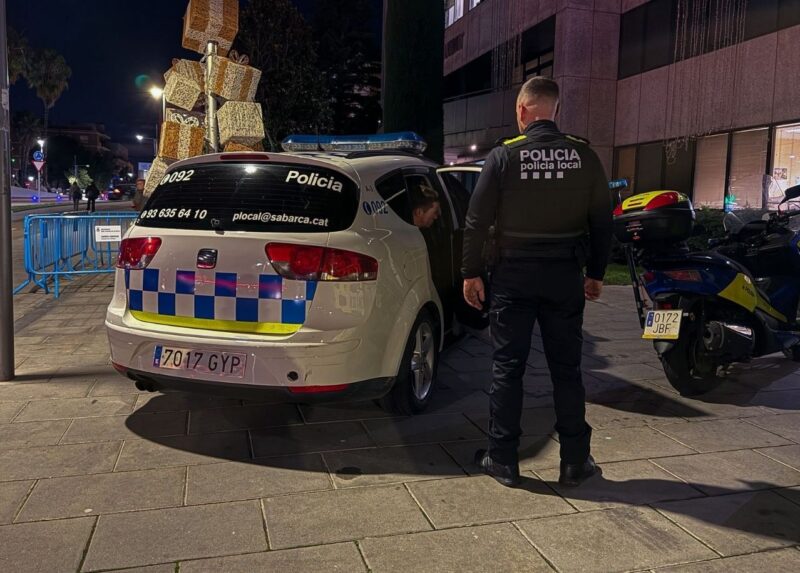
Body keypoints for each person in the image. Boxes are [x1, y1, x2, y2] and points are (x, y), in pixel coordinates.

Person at [462, 77, 613, 488]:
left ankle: (503, 459)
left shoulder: (504, 156)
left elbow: (476, 220)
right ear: (556, 110)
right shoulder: (583, 155)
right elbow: (602, 220)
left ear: (523, 110)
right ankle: (574, 462)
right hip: (564, 276)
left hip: (513, 277)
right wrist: (596, 273)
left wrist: (470, 272)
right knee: (567, 369)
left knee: (508, 368)